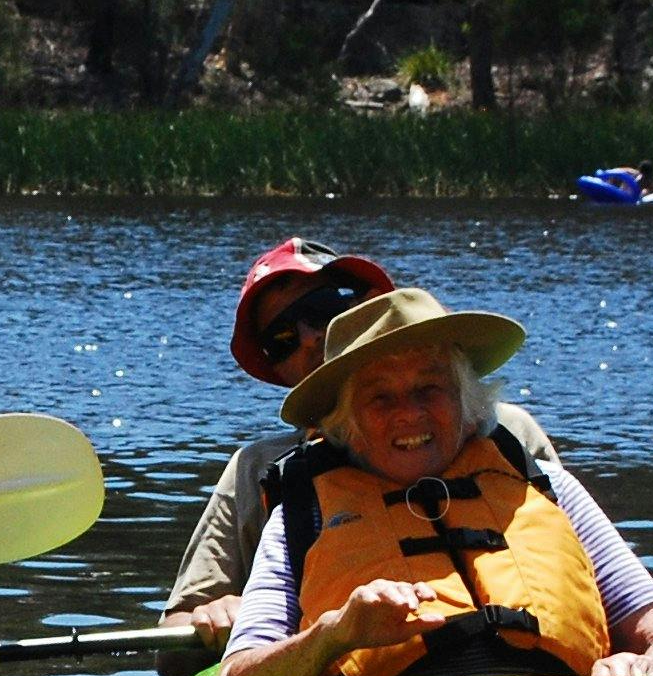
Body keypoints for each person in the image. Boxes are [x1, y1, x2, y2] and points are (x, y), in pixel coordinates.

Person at [217, 287, 653, 676]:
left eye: (430, 389)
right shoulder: (304, 513)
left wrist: (650, 667)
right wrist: (335, 633)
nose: (409, 414)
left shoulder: (548, 487)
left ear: (467, 402)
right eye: (381, 397)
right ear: (348, 424)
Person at [167, 239, 564, 641]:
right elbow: (174, 633)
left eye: (322, 311)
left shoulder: (509, 434)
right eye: (281, 339)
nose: (308, 338)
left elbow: (585, 570)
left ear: (374, 302)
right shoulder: (260, 469)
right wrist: (211, 613)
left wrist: (627, 652)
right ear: (277, 369)